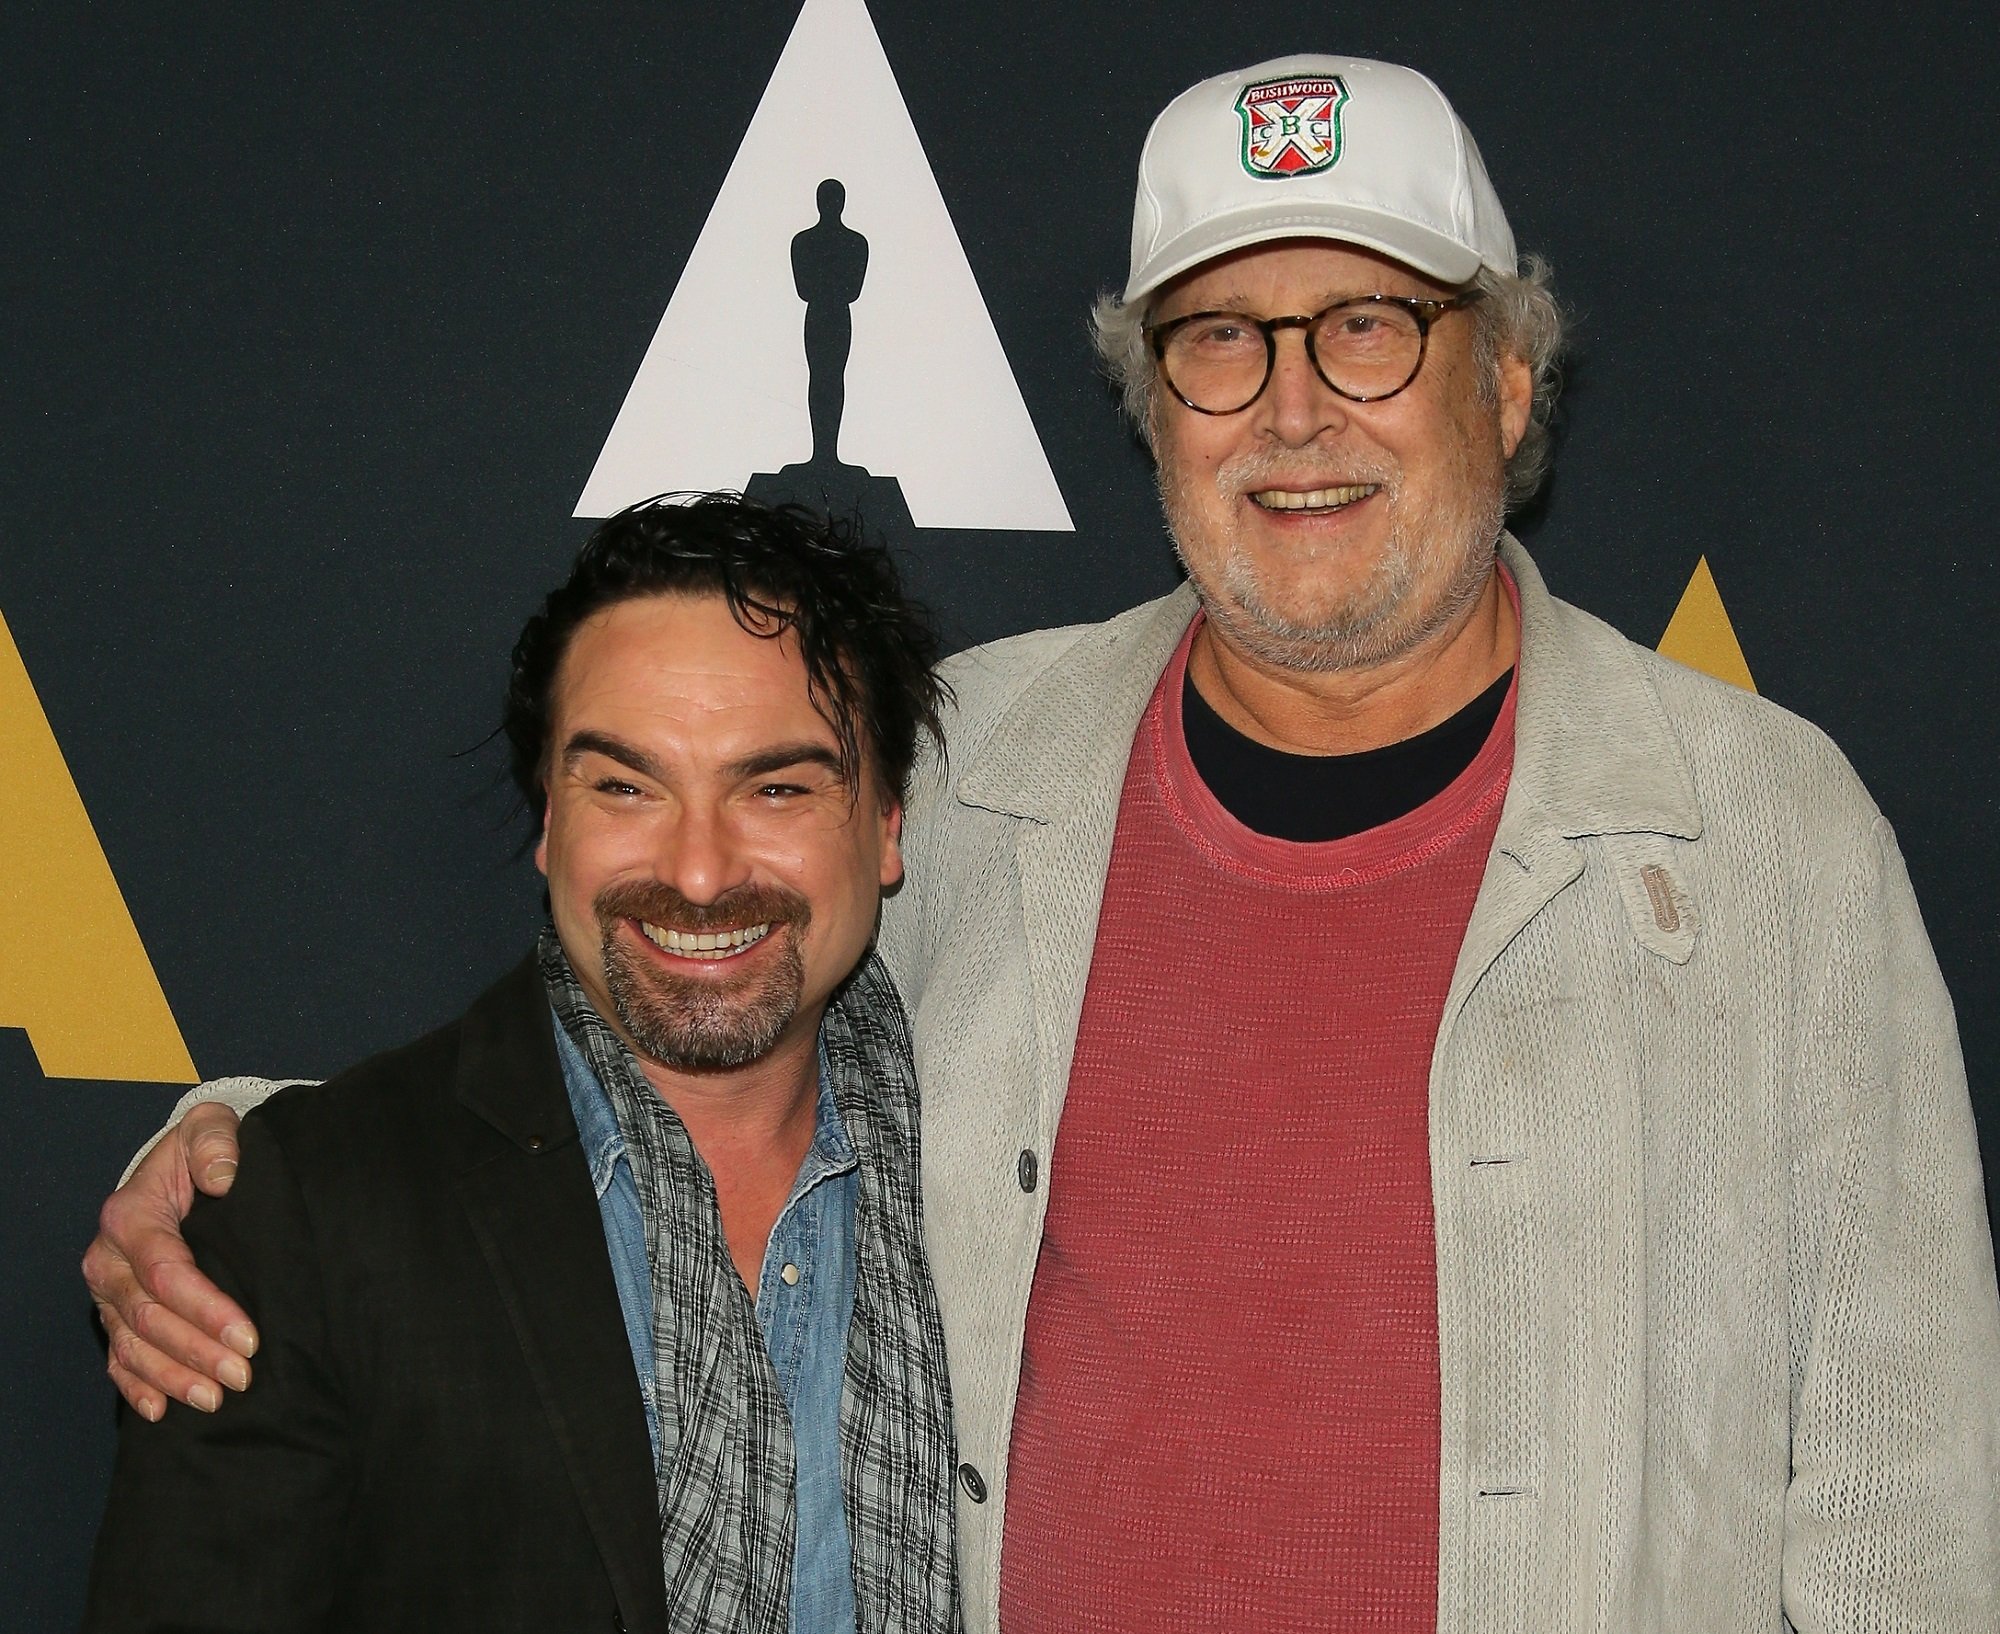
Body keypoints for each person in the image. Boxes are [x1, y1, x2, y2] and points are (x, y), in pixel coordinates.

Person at [86, 53, 1999, 1634]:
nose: (1293, 411)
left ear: (1507, 379)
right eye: (1219, 344)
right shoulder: (973, 752)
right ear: (1152, 418)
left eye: (1368, 328)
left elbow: (1909, 1510)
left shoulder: (1762, 833)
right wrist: (252, 1145)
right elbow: (677, 1033)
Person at [83, 494, 960, 1634]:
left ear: (886, 822)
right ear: (550, 820)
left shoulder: (1010, 1160)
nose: (698, 871)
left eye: (777, 787)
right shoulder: (298, 1214)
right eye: (625, 785)